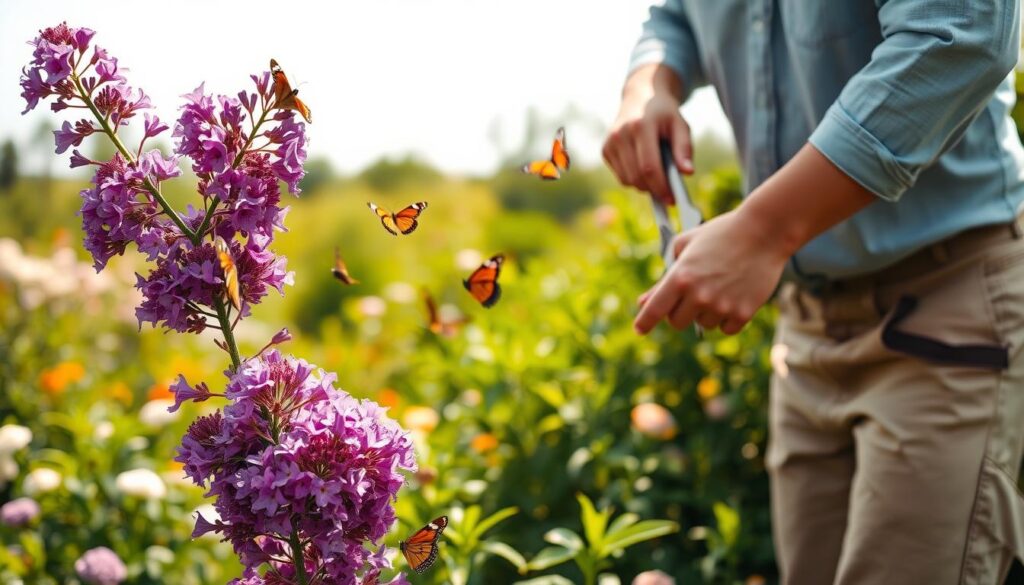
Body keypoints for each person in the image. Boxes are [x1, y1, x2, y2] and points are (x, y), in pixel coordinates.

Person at [604, 2, 1024, 584]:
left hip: (947, 307)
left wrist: (763, 231)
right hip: (806, 329)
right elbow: (676, 15)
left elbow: (962, 34)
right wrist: (649, 85)